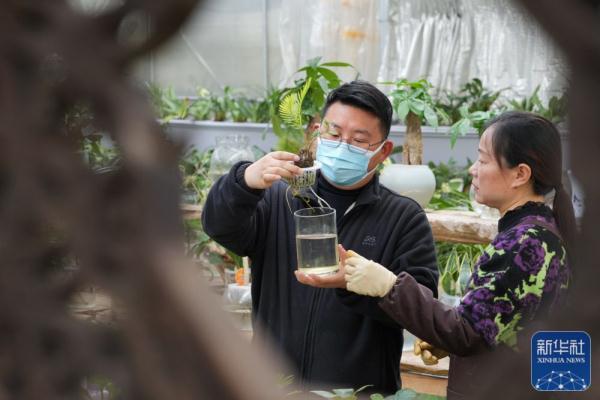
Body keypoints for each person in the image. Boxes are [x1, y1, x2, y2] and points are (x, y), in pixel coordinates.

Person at [202, 81, 438, 393]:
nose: (343, 145)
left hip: (356, 394)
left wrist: (357, 283)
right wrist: (244, 181)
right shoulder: (279, 199)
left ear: (383, 152)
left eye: (358, 140)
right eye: (334, 134)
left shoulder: (403, 218)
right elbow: (219, 225)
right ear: (317, 132)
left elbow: (422, 307)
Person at [342, 111, 575, 399]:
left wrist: (389, 286)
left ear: (520, 174)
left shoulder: (523, 243)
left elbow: (465, 333)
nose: (473, 170)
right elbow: (504, 326)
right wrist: (453, 340)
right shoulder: (543, 232)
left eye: (483, 159)